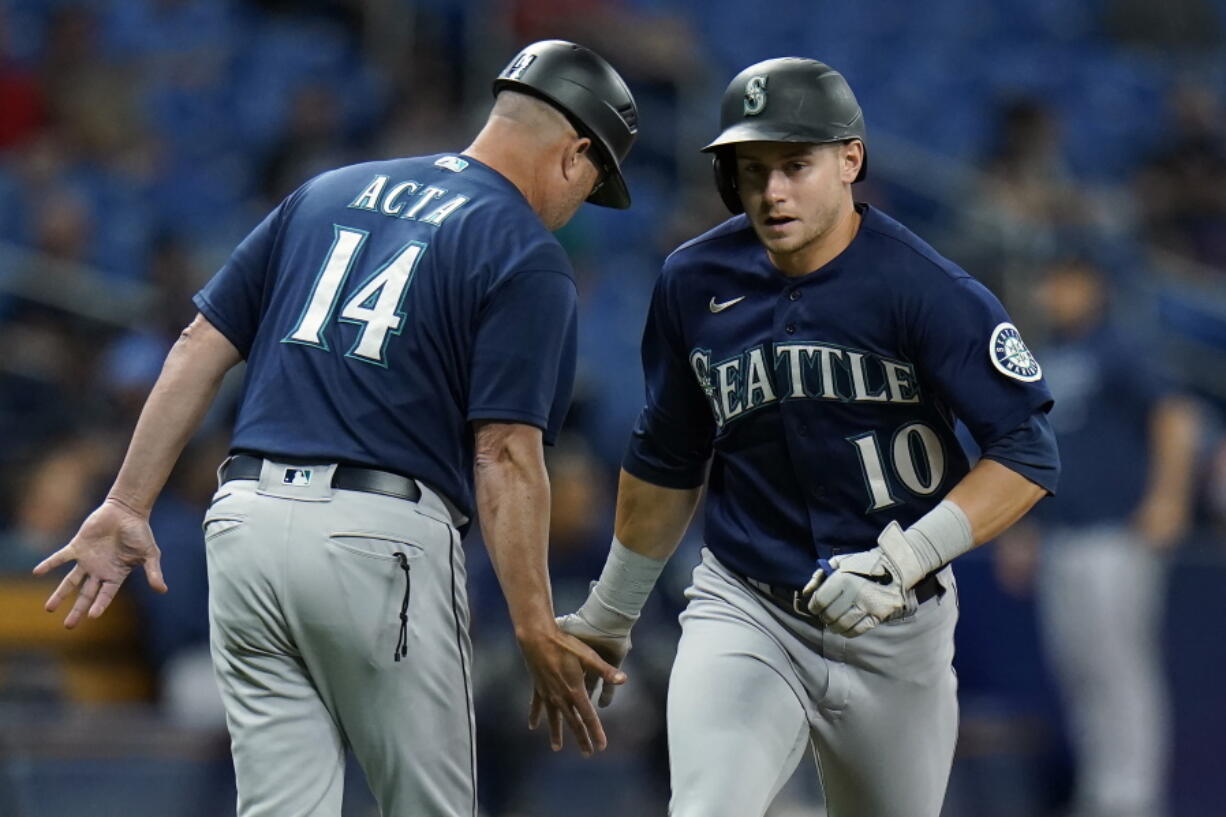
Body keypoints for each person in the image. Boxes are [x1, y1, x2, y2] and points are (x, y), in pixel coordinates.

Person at [33, 39, 639, 817]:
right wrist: (533, 623)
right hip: (379, 538)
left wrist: (126, 502)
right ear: (576, 152)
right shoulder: (524, 248)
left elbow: (195, 348)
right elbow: (505, 452)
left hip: (246, 525)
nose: (582, 198)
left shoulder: (327, 190)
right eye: (594, 180)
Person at [550, 57, 1061, 817]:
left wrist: (905, 560)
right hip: (748, 603)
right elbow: (667, 457)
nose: (772, 191)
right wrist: (611, 612)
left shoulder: (929, 289)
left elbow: (1026, 449)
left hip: (897, 621)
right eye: (751, 170)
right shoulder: (693, 279)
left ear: (850, 159)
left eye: (796, 165)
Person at [997, 257, 1199, 817]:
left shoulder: (1118, 347)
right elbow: (1034, 448)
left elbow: (1175, 415)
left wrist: (1170, 496)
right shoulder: (1045, 355)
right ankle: (1100, 793)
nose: (1051, 292)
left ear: (1093, 286)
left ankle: (1131, 797)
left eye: (1063, 280)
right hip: (1064, 535)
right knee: (1079, 669)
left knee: (1120, 669)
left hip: (1115, 534)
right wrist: (1024, 528)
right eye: (1049, 280)